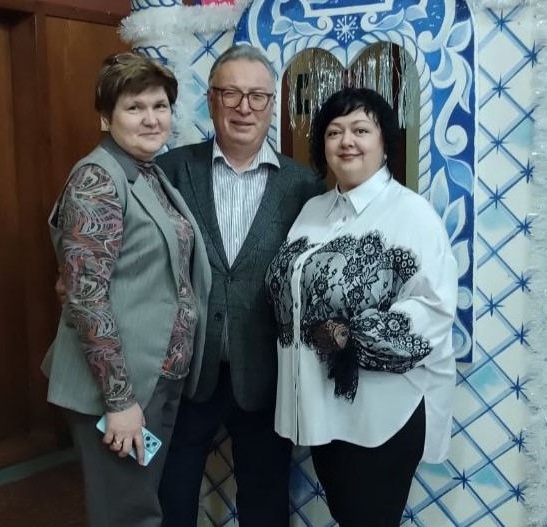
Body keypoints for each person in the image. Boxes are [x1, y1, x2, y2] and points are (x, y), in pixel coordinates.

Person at [265, 87, 458, 527]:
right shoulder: (313, 210)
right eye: (334, 132)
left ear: (384, 141)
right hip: (319, 407)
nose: (346, 141)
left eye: (360, 130)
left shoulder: (412, 214)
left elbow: (432, 310)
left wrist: (349, 337)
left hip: (379, 414)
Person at [42, 52, 211, 527]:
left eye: (160, 106)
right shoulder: (98, 177)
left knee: (140, 506)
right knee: (128, 516)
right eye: (135, 107)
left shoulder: (146, 171)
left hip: (155, 377)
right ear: (106, 116)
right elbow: (87, 297)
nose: (151, 119)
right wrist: (119, 401)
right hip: (120, 387)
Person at [156, 45, 322, 527]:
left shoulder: (304, 186)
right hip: (186, 369)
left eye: (257, 96)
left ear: (272, 105)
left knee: (265, 502)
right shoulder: (170, 171)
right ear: (211, 100)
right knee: (171, 494)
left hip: (267, 373)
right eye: (231, 93)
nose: (244, 107)